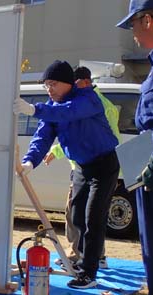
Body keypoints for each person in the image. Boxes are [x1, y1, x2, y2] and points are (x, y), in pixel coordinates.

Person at [13, 60, 119, 289]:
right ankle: (81, 259)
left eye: (53, 84)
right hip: (81, 167)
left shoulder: (86, 98)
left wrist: (34, 109)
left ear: (68, 83)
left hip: (104, 165)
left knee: (94, 218)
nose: (49, 89)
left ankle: (88, 272)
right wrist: (31, 161)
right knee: (77, 217)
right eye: (46, 85)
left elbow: (69, 113)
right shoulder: (54, 105)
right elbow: (42, 137)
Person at [47, 66, 121, 270]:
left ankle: (83, 259)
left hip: (99, 164)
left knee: (88, 215)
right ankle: (94, 257)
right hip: (82, 165)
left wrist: (57, 151)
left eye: (77, 82)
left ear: (85, 82)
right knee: (85, 214)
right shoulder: (85, 101)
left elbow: (97, 136)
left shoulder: (91, 103)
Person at [117, 0, 153, 295]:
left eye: (134, 24)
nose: (133, 33)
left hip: (151, 158)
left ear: (148, 18)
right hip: (144, 154)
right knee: (148, 245)